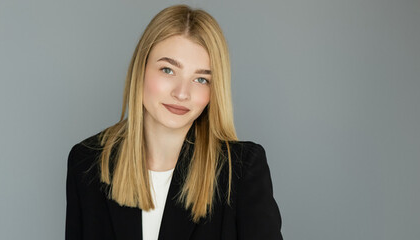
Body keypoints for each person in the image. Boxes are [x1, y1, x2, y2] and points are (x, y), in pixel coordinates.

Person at [65, 4, 283, 240]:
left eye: (201, 79)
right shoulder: (87, 162)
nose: (182, 93)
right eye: (168, 70)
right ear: (141, 69)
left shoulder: (240, 171)